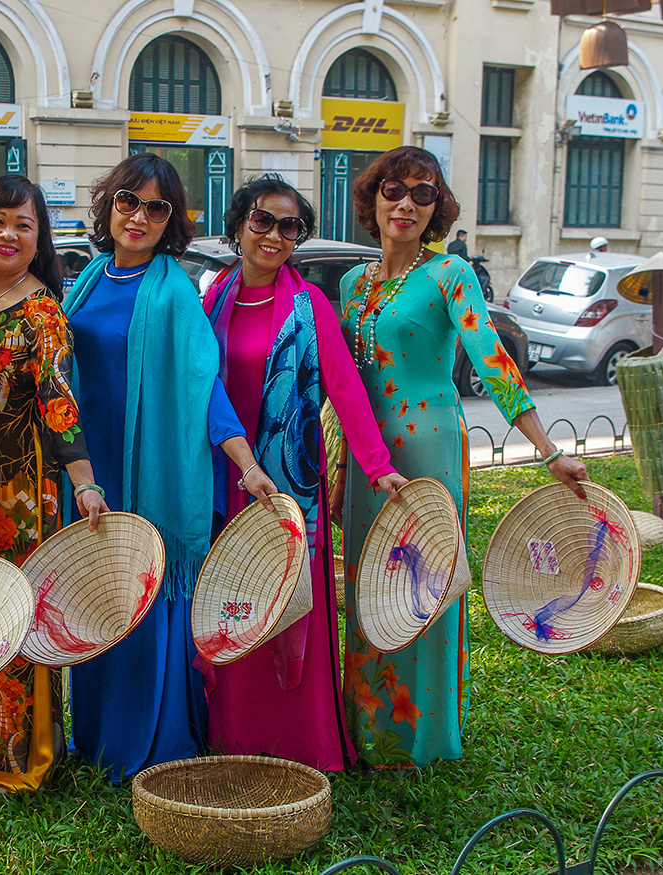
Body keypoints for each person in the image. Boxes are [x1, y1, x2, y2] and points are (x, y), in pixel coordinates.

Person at [338, 146, 588, 768]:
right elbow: (340, 381)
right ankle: (367, 728)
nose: (405, 204)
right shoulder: (350, 283)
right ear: (372, 198)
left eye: (423, 195)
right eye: (393, 189)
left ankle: (422, 737)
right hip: (367, 453)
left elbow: (493, 362)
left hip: (428, 448)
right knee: (367, 579)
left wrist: (548, 449)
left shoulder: (451, 275)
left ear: (437, 210)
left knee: (425, 579)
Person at [63, 152, 276, 780]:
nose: (139, 217)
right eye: (128, 200)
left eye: (157, 208)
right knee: (98, 594)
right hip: (87, 467)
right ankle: (95, 737)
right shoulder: (90, 277)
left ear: (170, 222)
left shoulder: (175, 288)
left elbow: (202, 382)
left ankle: (149, 743)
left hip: (150, 472)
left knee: (146, 596)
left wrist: (245, 462)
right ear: (109, 203)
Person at [200, 175, 409, 771]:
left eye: (289, 226)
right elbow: (197, 385)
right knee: (230, 602)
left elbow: (345, 389)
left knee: (290, 606)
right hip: (225, 477)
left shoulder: (309, 304)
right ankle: (235, 735)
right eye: (262, 221)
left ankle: (300, 742)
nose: (274, 235)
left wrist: (378, 466)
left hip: (289, 486)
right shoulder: (212, 297)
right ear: (238, 224)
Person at [0, 175, 109, 791]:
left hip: (14, 491)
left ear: (40, 240)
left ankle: (17, 756)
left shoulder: (41, 312)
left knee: (9, 612)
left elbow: (60, 405)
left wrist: (84, 483)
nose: (9, 234)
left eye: (24, 224)